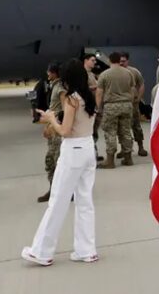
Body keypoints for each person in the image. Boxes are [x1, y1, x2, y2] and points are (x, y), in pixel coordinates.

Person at [21, 59, 99, 266]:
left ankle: (42, 251)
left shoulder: (72, 100)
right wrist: (53, 117)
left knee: (57, 200)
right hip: (88, 147)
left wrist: (51, 119)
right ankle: (86, 250)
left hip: (73, 150)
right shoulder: (89, 97)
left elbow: (64, 130)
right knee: (84, 201)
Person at [97, 52, 137, 168]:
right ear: (120, 60)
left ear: (109, 60)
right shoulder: (128, 73)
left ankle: (110, 161)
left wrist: (99, 107)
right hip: (126, 105)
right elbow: (132, 89)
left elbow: (99, 92)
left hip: (111, 106)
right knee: (126, 131)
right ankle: (128, 158)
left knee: (110, 132)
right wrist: (130, 102)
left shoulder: (104, 74)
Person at [38, 63, 64, 203]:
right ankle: (54, 189)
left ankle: (64, 191)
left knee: (57, 162)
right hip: (52, 127)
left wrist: (54, 125)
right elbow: (53, 108)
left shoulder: (60, 88)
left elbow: (64, 110)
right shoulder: (54, 86)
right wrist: (48, 125)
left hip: (58, 130)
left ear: (54, 73)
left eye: (49, 71)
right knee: (50, 161)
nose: (47, 74)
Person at [122, 52, 149, 157]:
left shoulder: (134, 71)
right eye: (120, 61)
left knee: (136, 125)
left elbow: (141, 84)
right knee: (122, 128)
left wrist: (139, 98)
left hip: (133, 103)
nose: (121, 63)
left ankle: (140, 147)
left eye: (123, 61)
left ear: (127, 61)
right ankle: (124, 149)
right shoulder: (116, 72)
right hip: (121, 103)